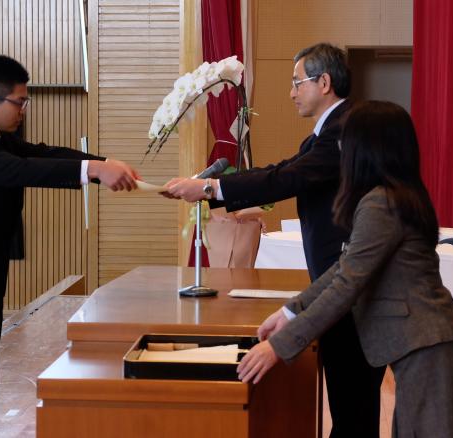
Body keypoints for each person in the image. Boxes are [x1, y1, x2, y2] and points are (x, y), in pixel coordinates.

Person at [164, 43, 386, 437]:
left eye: (297, 82)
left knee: (353, 412)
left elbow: (286, 180)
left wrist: (212, 188)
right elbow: (285, 169)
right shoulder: (329, 131)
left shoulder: (345, 131)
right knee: (352, 411)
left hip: (351, 292)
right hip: (339, 287)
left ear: (325, 82)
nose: (291, 92)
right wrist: (210, 186)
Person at [237, 101, 453, 438]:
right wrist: (291, 311)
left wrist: (280, 345)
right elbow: (344, 267)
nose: (341, 149)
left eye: (345, 141)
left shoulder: (381, 202)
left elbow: (347, 284)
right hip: (435, 342)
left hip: (428, 346)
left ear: (368, 147)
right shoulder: (397, 194)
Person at [0, 54, 140, 437]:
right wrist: (94, 170)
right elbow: (20, 171)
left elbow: (44, 153)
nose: (24, 109)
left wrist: (104, 163)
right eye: (19, 102)